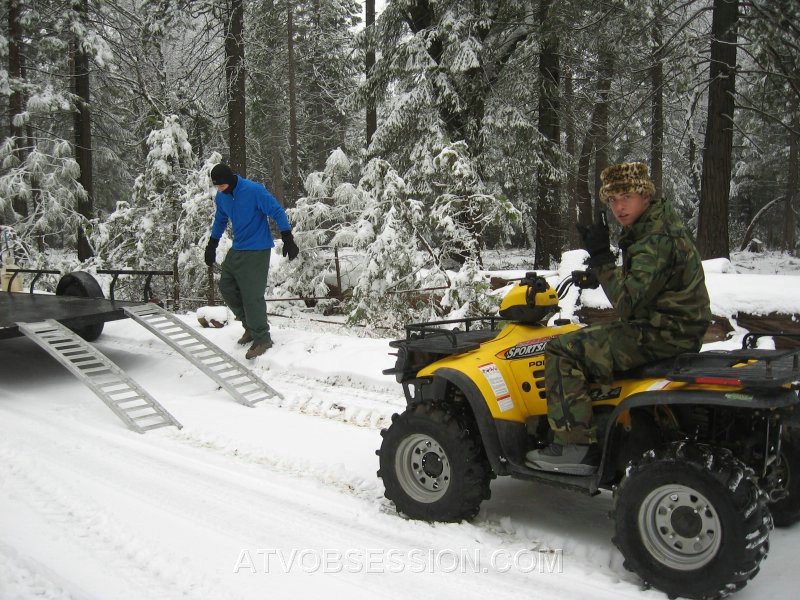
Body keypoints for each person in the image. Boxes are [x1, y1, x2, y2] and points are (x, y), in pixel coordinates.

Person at [526, 162, 711, 475]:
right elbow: (644, 287)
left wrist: (602, 259)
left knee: (562, 350)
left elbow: (627, 303)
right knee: (593, 338)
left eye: (626, 196)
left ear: (644, 194)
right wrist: (602, 271)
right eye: (612, 199)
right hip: (668, 325)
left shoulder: (654, 238)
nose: (619, 206)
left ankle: (575, 446)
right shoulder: (653, 226)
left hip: (663, 332)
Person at [204, 163, 300, 359]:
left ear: (229, 180)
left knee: (251, 296)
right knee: (227, 287)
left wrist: (287, 237)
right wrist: (212, 244)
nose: (219, 189)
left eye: (221, 185)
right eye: (216, 186)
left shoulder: (253, 190)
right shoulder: (222, 197)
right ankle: (250, 327)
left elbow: (276, 211)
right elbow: (221, 219)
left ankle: (262, 338)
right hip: (238, 247)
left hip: (257, 248)